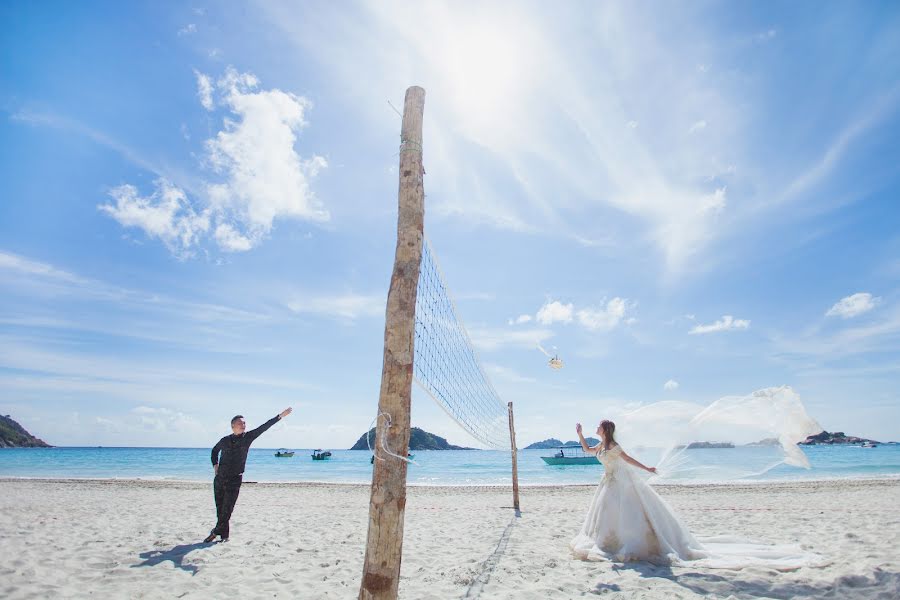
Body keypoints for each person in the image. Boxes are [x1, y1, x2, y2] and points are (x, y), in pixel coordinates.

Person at [569, 419, 823, 569]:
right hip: (608, 483)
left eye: (598, 427)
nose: (596, 430)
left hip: (621, 483)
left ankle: (626, 544)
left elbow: (628, 459)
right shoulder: (601, 446)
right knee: (605, 515)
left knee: (626, 515)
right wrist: (579, 435)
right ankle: (608, 543)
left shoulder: (614, 446)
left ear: (606, 430)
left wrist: (647, 468)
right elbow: (587, 451)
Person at [204, 407, 292, 543]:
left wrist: (280, 416)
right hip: (220, 478)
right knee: (220, 508)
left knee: (227, 509)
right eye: (240, 423)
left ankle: (215, 531)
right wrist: (215, 465)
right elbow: (214, 451)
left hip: (235, 479)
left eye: (244, 423)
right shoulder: (225, 440)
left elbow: (264, 427)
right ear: (233, 426)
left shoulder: (248, 438)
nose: (243, 425)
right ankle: (224, 536)